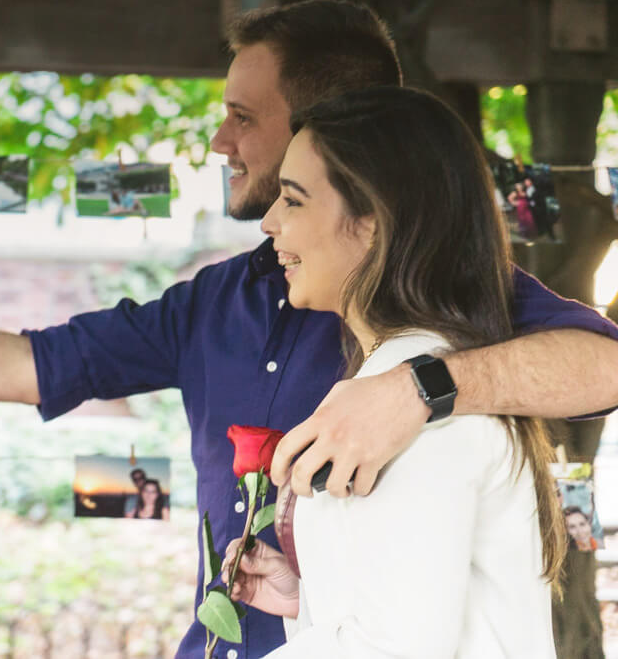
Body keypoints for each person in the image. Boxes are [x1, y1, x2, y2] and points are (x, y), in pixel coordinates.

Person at [0, 0, 618, 658]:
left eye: (244, 118)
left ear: (337, 134)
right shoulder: (212, 300)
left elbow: (605, 368)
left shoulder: (440, 300)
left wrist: (423, 392)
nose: (218, 142)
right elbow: (34, 363)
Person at [219, 86, 565, 656]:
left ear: (374, 222)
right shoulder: (404, 384)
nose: (269, 223)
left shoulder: (416, 408)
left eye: (295, 200)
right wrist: (309, 599)